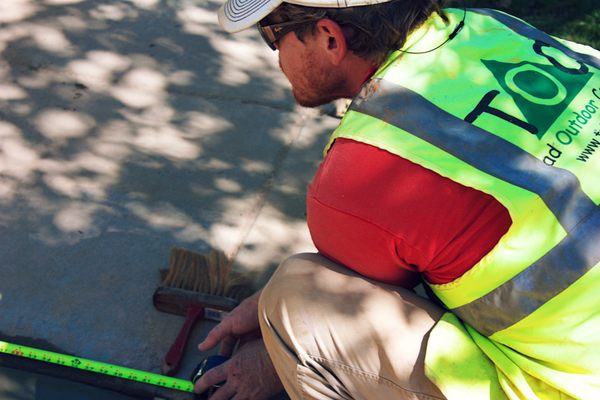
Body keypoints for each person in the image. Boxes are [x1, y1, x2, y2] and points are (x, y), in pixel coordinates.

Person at [194, 0, 600, 398]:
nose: (277, 56)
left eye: (272, 35)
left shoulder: (362, 172)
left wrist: (272, 352)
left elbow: (352, 302)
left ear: (329, 37)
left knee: (296, 297)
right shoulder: (488, 26)